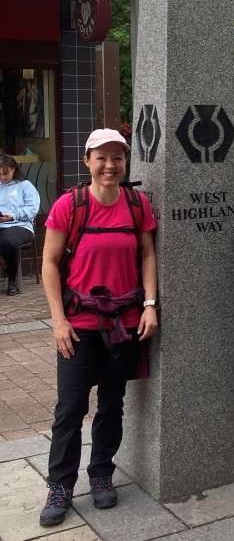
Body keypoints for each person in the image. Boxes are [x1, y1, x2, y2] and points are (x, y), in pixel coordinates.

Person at [39, 129, 158, 527]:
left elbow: (147, 255)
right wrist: (58, 320)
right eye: (102, 158)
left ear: (126, 163)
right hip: (78, 326)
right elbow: (50, 265)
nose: (110, 166)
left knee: (112, 404)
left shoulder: (137, 204)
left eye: (118, 159)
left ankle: (102, 472)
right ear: (87, 161)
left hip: (123, 323)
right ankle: (60, 485)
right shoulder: (68, 206)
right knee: (70, 408)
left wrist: (150, 305)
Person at [0, 153, 40, 295]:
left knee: (8, 241)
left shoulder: (25, 186)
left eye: (5, 173)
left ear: (14, 170)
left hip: (20, 226)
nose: (2, 177)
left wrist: (13, 216)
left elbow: (32, 208)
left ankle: (13, 278)